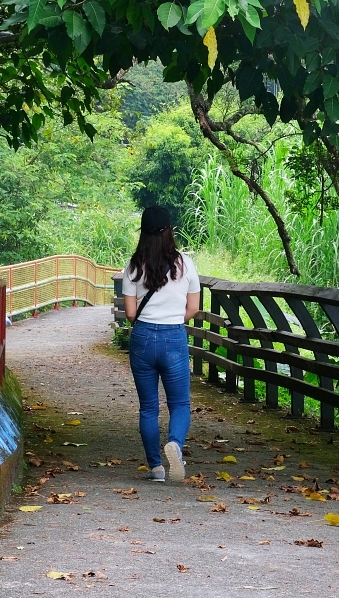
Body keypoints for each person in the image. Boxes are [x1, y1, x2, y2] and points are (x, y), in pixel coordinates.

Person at [123, 206, 201, 482]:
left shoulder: (133, 265)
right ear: (170, 231)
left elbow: (131, 313)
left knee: (148, 407)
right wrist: (170, 318)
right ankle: (176, 445)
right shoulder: (185, 264)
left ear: (143, 232)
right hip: (173, 337)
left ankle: (156, 468)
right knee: (179, 403)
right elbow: (193, 308)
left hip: (143, 337)